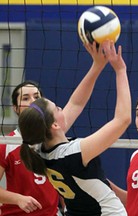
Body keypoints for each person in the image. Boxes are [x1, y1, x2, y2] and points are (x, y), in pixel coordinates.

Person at [18, 40, 131, 216]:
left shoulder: (39, 148)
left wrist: (97, 66)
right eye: (57, 108)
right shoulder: (75, 153)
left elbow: (76, 103)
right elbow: (123, 120)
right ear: (54, 125)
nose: (62, 108)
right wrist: (120, 70)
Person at [0, 80, 61, 215]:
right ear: (16, 108)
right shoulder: (7, 143)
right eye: (26, 98)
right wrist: (18, 199)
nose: (32, 101)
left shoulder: (54, 138)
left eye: (36, 97)